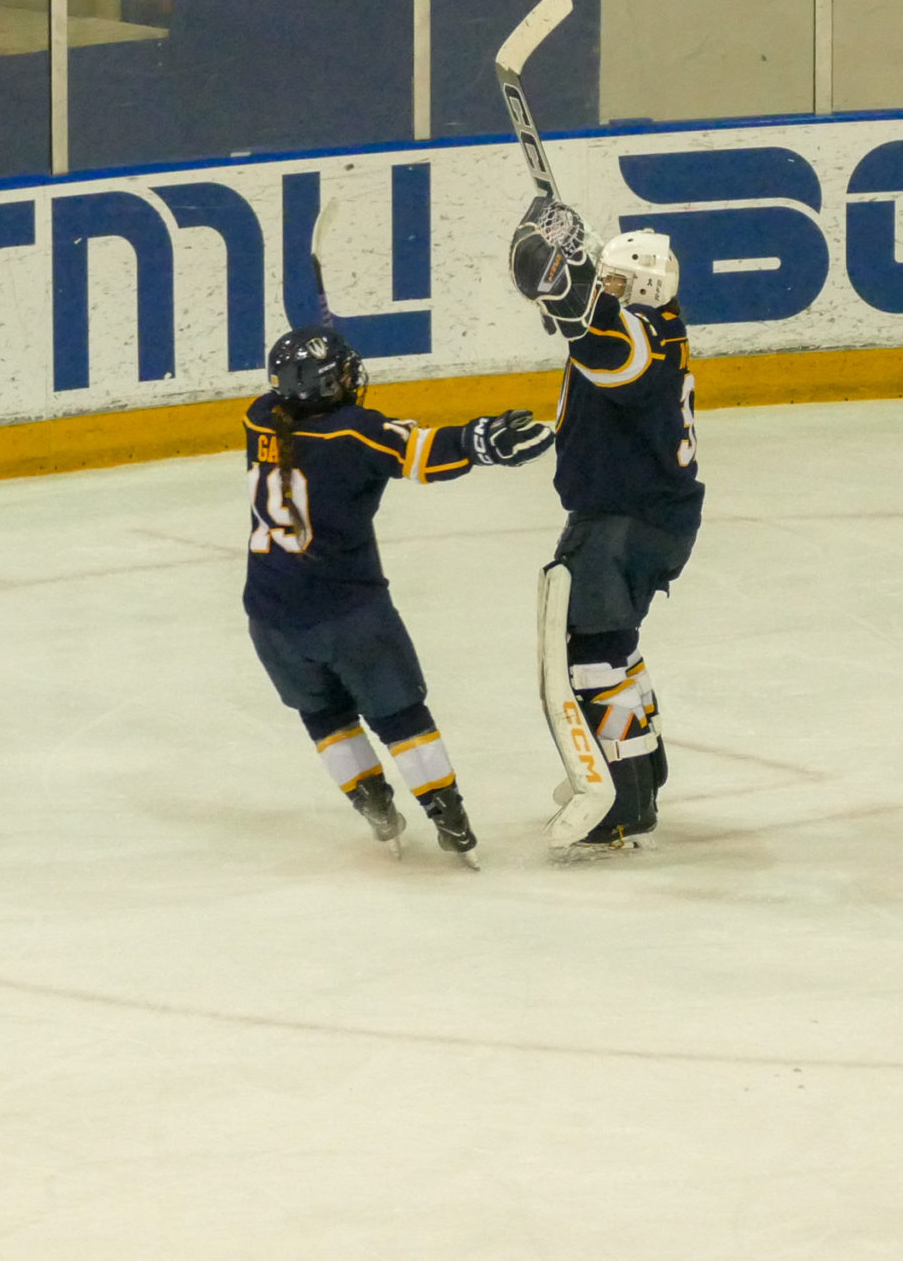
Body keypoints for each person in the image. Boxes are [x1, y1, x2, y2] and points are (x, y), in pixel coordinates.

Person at [243, 325, 556, 865]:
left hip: (270, 617)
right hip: (349, 615)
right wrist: (481, 441)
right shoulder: (357, 433)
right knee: (400, 716)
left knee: (324, 715)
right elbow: (424, 452)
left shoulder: (258, 416)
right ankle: (449, 817)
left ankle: (375, 807)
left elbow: (310, 412)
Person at [508, 197, 702, 852]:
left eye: (618, 282)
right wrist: (577, 269)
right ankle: (645, 770)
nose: (608, 292)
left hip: (624, 520)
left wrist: (561, 280)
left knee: (591, 650)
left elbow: (597, 336)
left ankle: (623, 798)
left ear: (643, 287)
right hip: (648, 515)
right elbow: (581, 325)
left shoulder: (638, 338)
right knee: (614, 641)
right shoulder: (654, 325)